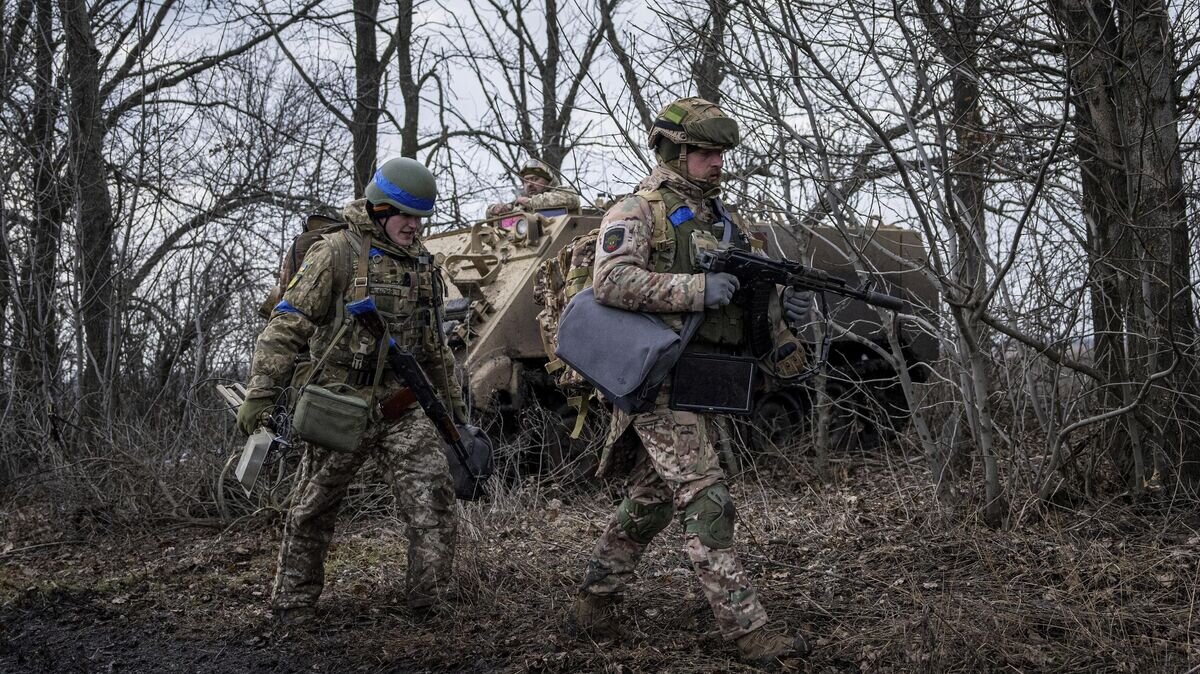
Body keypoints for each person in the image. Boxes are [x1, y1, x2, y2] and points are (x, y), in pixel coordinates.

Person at [570, 97, 814, 664]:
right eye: (707, 153)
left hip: (704, 380)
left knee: (653, 499)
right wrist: (695, 291)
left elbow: (757, 309)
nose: (719, 163)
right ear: (676, 152)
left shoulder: (727, 224)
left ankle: (591, 603)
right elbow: (610, 282)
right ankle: (749, 633)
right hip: (654, 376)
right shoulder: (637, 211)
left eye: (722, 153)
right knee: (707, 497)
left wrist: (789, 328)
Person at [237, 157, 465, 624]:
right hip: (340, 404)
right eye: (406, 215)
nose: (415, 226)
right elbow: (287, 326)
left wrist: (454, 409)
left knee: (434, 499)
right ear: (380, 209)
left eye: (421, 217)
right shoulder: (336, 252)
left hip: (402, 405)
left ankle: (430, 604)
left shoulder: (423, 264)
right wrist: (261, 392)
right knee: (312, 508)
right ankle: (294, 606)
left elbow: (434, 345)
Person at [486, 157, 581, 218]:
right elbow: (490, 216)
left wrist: (530, 202)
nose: (529, 184)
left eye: (535, 179)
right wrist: (494, 209)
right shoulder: (519, 205)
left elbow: (572, 198)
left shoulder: (562, 193)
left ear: (548, 181)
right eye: (526, 181)